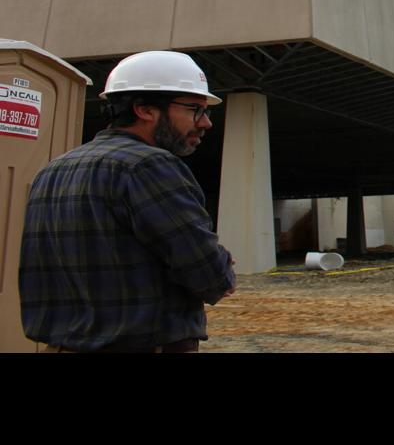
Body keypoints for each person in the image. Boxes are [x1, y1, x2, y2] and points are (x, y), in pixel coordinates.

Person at [18, 50, 235, 353]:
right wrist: (222, 265)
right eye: (195, 109)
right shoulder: (149, 165)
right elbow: (206, 271)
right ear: (145, 109)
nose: (205, 123)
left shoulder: (52, 170)